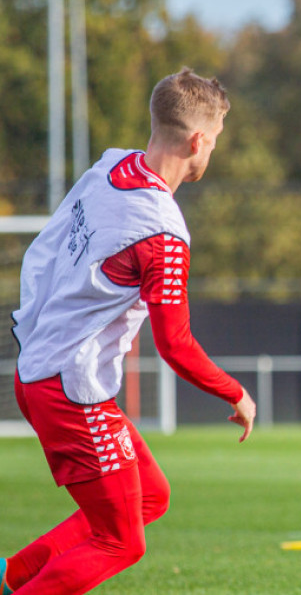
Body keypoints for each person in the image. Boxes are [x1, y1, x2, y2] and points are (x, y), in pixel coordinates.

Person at [2, 68, 256, 595]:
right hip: (72, 391)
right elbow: (175, 345)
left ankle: (10, 575)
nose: (211, 155)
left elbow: (44, 250)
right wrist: (234, 392)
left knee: (149, 499)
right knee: (121, 542)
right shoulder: (162, 233)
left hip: (43, 371)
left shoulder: (110, 167)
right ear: (198, 140)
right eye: (216, 144)